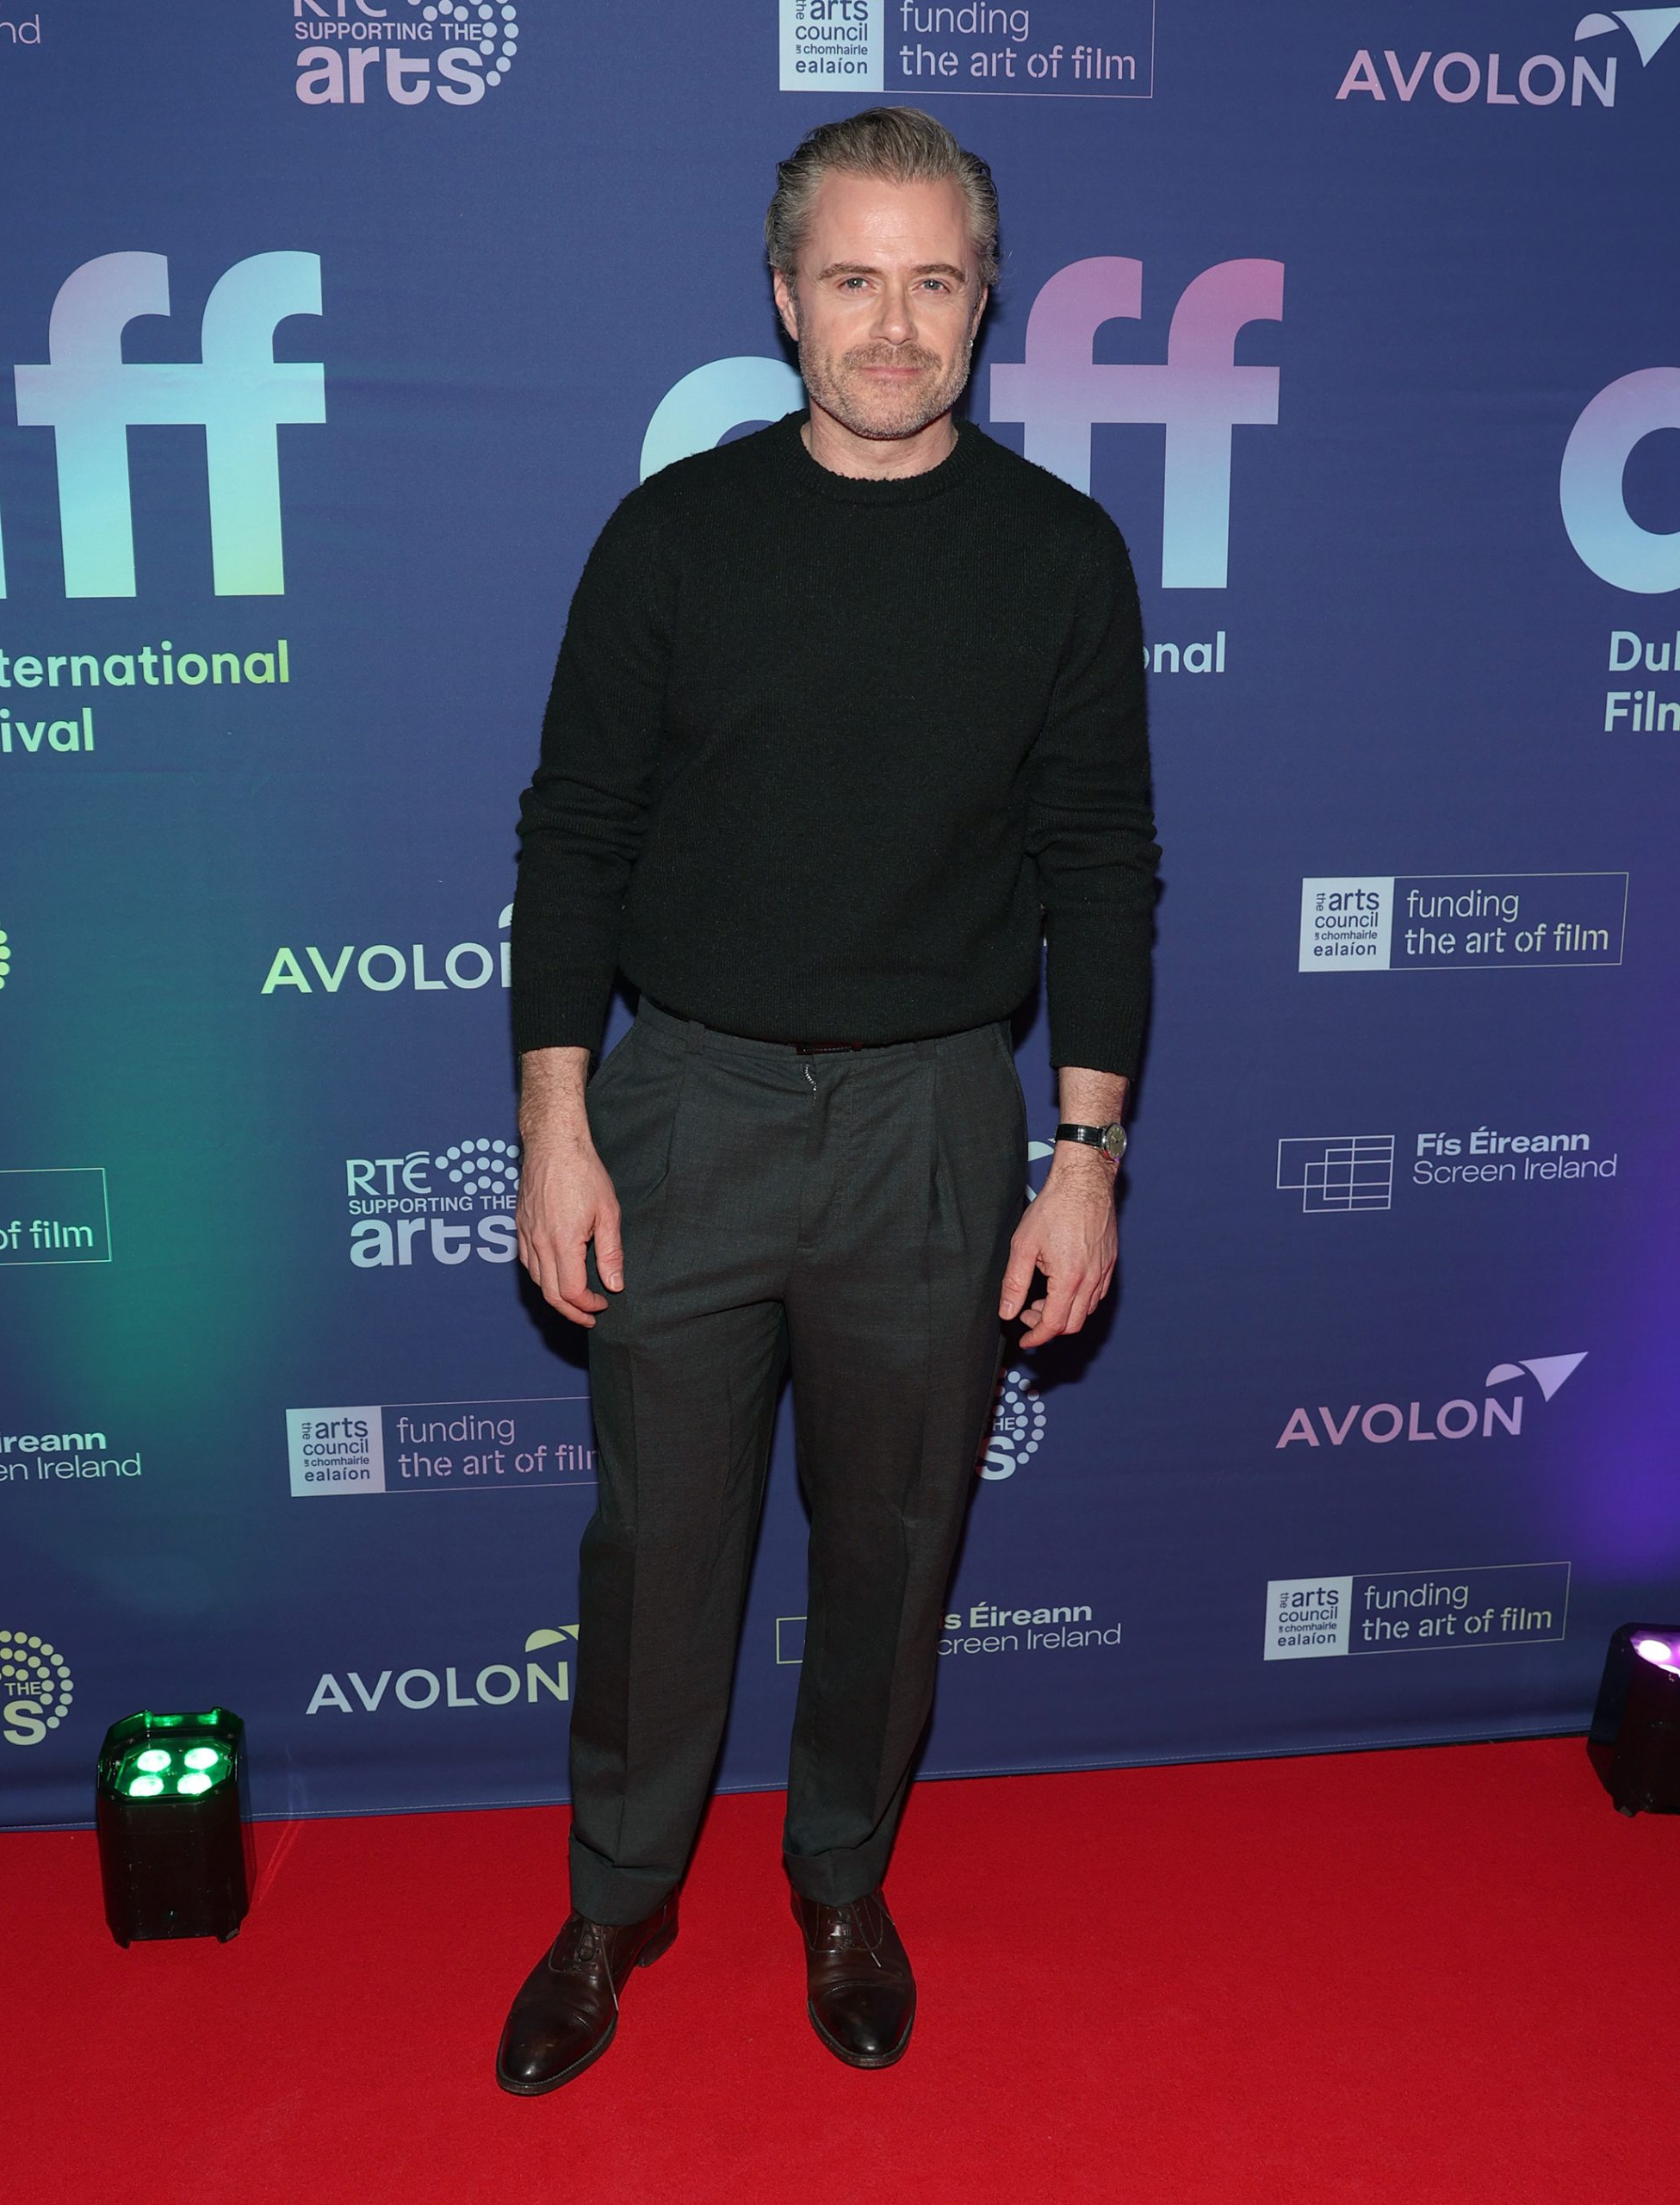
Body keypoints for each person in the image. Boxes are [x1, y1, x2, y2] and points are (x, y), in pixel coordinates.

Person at [497, 104, 1157, 2095]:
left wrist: (1086, 1156)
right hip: (687, 1102)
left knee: (896, 1543)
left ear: (984, 299)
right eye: (851, 278)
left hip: (938, 1118)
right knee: (657, 1552)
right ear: (783, 298)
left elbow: (1100, 861)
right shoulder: (674, 536)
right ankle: (616, 1896)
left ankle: (843, 1881)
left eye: (932, 280)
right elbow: (576, 834)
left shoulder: (1057, 555)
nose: (891, 323)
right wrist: (555, 1121)